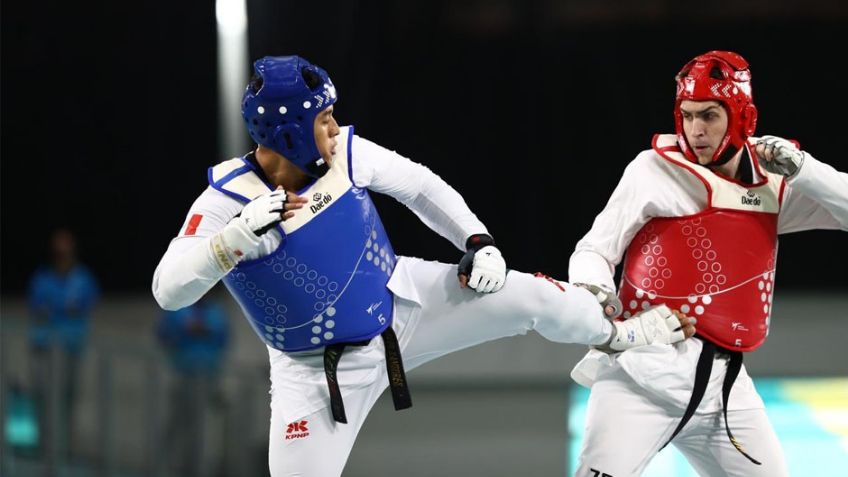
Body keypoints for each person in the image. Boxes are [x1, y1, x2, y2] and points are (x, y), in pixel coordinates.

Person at [151, 55, 695, 476]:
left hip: (403, 302)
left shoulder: (346, 153)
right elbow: (168, 291)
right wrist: (232, 241)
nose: (335, 126)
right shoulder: (224, 202)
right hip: (312, 375)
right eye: (323, 117)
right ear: (289, 132)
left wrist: (477, 240)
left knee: (532, 295)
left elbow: (420, 185)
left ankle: (615, 334)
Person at [568, 50, 848, 477]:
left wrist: (807, 171)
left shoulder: (773, 184)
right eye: (687, 115)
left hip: (725, 390)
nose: (695, 131)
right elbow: (592, 250)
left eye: (709, 116)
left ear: (742, 117)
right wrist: (597, 302)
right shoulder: (652, 170)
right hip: (638, 378)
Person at [27, 227, 99, 456]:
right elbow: (39, 310)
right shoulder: (43, 278)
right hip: (46, 350)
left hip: (72, 349)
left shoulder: (83, 278)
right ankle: (45, 453)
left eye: (66, 251)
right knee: (45, 401)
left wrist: (59, 309)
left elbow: (86, 305)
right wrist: (63, 308)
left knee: (68, 400)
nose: (62, 256)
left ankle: (65, 452)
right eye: (58, 252)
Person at [156, 288, 229, 477]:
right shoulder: (178, 308)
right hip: (181, 373)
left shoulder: (216, 312)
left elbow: (224, 340)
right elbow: (162, 335)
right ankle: (166, 468)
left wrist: (204, 330)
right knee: (176, 423)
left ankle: (195, 470)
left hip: (206, 376)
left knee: (201, 428)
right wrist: (184, 332)